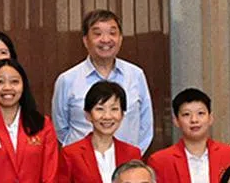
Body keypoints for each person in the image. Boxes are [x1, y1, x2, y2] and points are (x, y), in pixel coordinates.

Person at [50, 9, 154, 152]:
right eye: (97, 34)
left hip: (126, 166)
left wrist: (131, 158)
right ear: (86, 41)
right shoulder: (67, 80)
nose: (106, 39)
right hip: (83, 165)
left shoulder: (136, 75)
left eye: (112, 33)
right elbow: (61, 129)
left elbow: (145, 125)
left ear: (121, 38)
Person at [55, 83, 143, 183]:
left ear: (122, 114)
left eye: (114, 109)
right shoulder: (71, 154)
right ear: (88, 115)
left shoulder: (132, 153)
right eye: (100, 109)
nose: (107, 116)